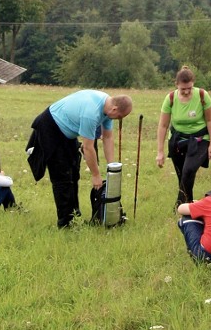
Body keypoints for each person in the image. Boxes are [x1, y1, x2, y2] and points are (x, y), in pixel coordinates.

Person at [26, 90, 132, 228]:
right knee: (62, 176)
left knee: (74, 171)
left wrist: (111, 168)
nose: (118, 119)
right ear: (115, 109)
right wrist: (96, 175)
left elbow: (107, 137)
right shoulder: (91, 113)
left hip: (66, 133)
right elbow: (88, 147)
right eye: (119, 116)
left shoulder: (108, 108)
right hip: (50, 127)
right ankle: (65, 224)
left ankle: (75, 216)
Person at [156, 67, 211, 208]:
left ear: (193, 83)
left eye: (189, 87)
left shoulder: (202, 95)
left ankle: (180, 206)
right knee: (182, 176)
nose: (187, 91)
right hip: (177, 140)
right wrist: (160, 151)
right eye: (183, 89)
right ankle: (189, 206)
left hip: (200, 139)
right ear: (176, 85)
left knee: (188, 170)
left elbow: (210, 120)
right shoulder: (170, 98)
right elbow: (163, 125)